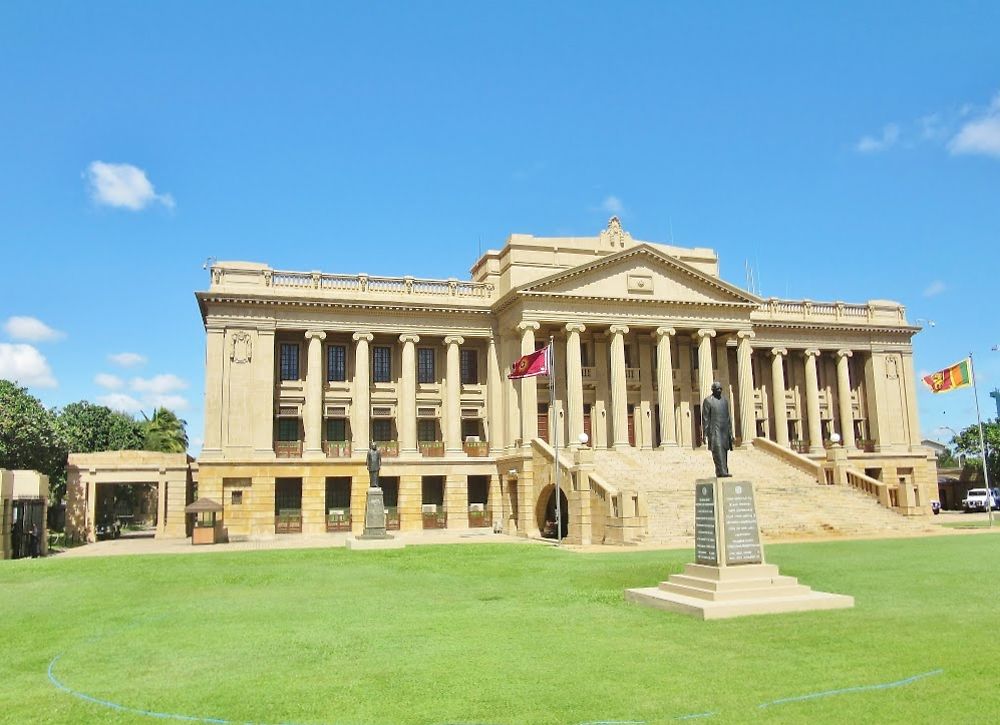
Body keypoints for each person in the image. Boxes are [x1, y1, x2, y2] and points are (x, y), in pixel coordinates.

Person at [702, 381, 734, 478]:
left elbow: (728, 418)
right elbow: (705, 419)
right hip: (714, 431)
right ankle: (721, 471)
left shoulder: (724, 401)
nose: (719, 390)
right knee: (718, 451)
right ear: (713, 390)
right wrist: (705, 433)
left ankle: (724, 470)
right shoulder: (708, 401)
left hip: (724, 431)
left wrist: (730, 433)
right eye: (717, 389)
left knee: (724, 451)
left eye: (720, 389)